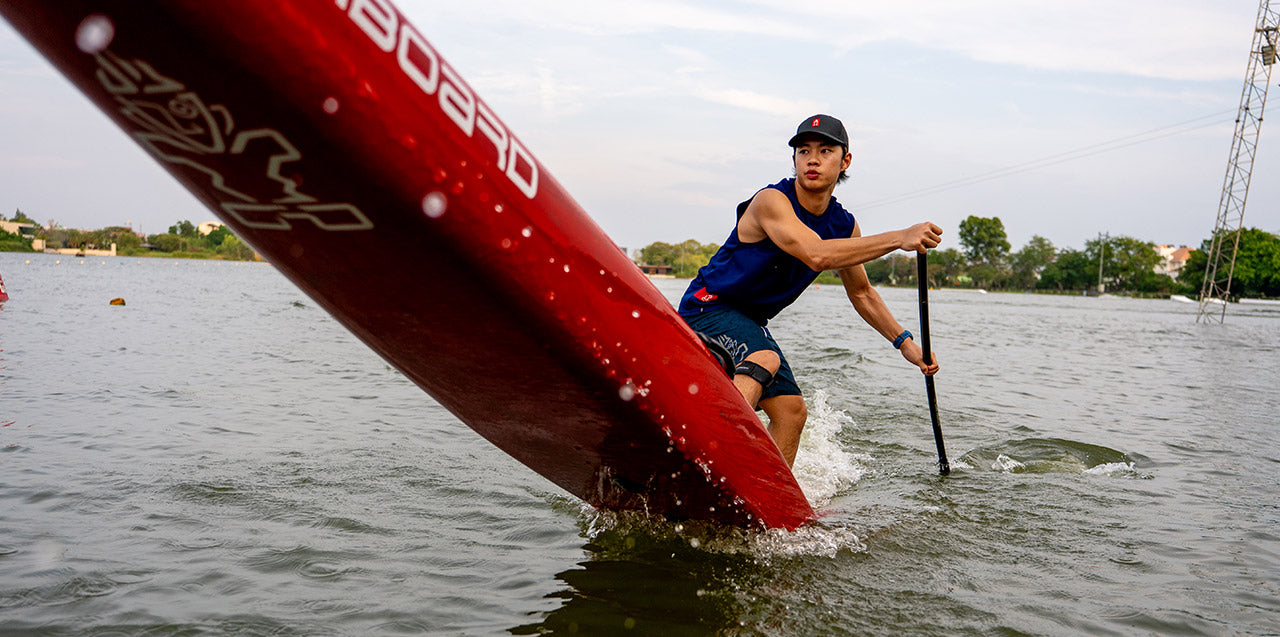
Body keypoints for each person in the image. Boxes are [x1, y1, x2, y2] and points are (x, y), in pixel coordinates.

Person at [678, 114, 941, 467]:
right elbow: (816, 254)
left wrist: (906, 344)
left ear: (845, 161)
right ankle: (704, 458)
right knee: (765, 359)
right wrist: (899, 238)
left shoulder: (843, 225)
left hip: (750, 321)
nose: (812, 159)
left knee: (791, 412)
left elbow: (861, 293)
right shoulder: (772, 201)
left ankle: (769, 500)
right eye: (804, 151)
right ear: (794, 160)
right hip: (708, 307)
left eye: (825, 150)